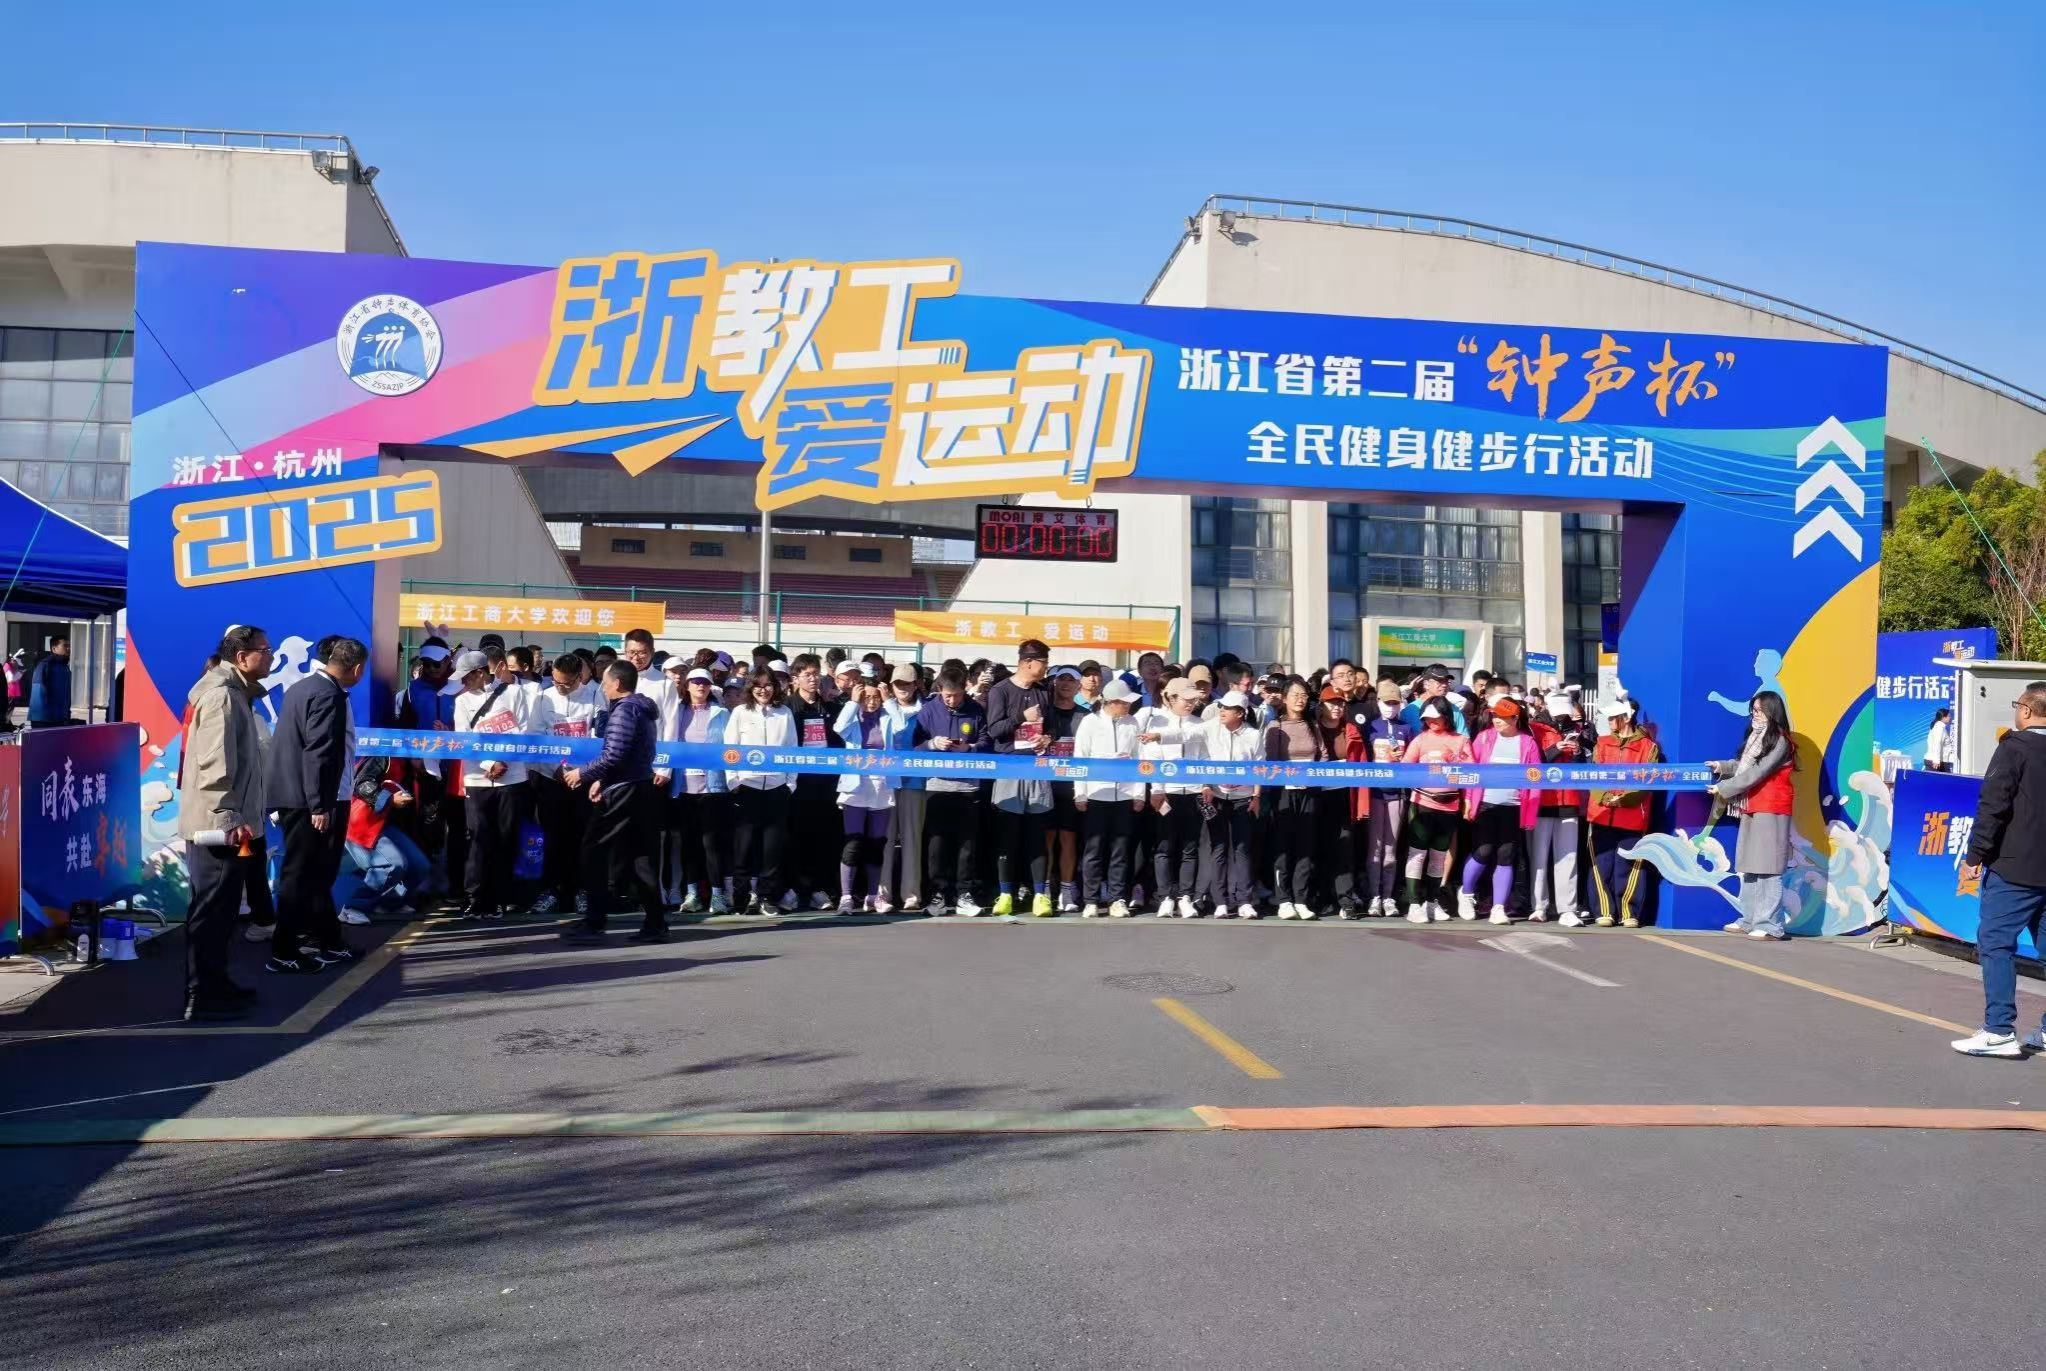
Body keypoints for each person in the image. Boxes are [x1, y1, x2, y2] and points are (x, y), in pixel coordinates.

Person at [176, 625, 274, 1019]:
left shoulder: (237, 694)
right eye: (265, 649)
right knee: (212, 908)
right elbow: (215, 765)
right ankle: (201, 995)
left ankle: (216, 983)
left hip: (233, 824)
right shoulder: (222, 697)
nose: (270, 655)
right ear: (242, 657)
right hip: (218, 826)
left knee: (225, 909)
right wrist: (227, 815)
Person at [1952, 681, 2046, 1057]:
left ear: (2026, 710)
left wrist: (1974, 857)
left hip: (2015, 867)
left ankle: (1999, 1029)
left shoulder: (2014, 747)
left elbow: (1993, 805)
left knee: (1995, 942)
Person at [265, 636, 365, 971]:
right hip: (316, 799)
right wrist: (319, 805)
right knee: (304, 874)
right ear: (357, 668)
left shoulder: (302, 688)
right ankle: (285, 951)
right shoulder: (328, 694)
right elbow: (319, 754)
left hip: (299, 795)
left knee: (313, 874)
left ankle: (326, 941)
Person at [561, 660, 668, 944]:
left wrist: (582, 774)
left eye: (606, 683)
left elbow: (614, 755)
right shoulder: (640, 709)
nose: (603, 687)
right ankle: (656, 923)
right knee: (642, 857)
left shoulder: (624, 711)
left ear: (618, 684)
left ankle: (595, 920)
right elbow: (627, 755)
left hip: (624, 791)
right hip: (641, 786)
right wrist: (602, 780)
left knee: (593, 849)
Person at [1706, 690, 1797, 940]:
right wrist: (1722, 767)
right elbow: (1745, 766)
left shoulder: (1781, 741)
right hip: (1752, 805)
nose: (1754, 715)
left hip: (1771, 807)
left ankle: (1770, 926)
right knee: (1750, 865)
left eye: (1758, 710)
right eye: (1753, 711)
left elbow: (1758, 772)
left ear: (1771, 711)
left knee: (1768, 867)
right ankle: (1749, 919)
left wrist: (1724, 788)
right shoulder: (1757, 737)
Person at [450, 647, 532, 919]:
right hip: (477, 778)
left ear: (480, 673)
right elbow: (463, 738)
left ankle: (502, 898)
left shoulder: (514, 693)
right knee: (478, 838)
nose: (463, 682)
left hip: (513, 777)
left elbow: (524, 730)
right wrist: (489, 763)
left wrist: (504, 760)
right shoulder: (462, 701)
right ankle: (475, 898)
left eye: (466, 676)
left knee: (507, 838)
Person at [1459, 698, 1553, 925]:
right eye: (1495, 716)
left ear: (1515, 718)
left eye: (1502, 717)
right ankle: (1466, 893)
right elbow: (1472, 771)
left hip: (1514, 806)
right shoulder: (1484, 738)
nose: (1497, 720)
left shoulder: (1528, 743)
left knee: (1506, 855)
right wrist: (1468, 800)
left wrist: (1530, 814)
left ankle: (1498, 907)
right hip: (1485, 804)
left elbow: (1534, 780)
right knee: (1483, 851)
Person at [984, 640, 1056, 916]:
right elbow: (994, 730)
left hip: (1037, 767)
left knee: (1037, 836)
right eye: (1043, 662)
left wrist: (1047, 738)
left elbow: (1051, 726)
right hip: (1009, 768)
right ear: (1027, 662)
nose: (1045, 667)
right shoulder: (1000, 690)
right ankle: (1005, 894)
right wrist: (1020, 716)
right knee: (1008, 835)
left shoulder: (1044, 691)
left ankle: (1040, 895)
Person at [529, 655, 602, 916]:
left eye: (566, 684)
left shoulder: (595, 696)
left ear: (579, 677)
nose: (560, 687)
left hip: (584, 779)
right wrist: (557, 768)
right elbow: (536, 736)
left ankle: (582, 891)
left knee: (583, 837)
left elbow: (598, 737)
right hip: (552, 778)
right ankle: (551, 891)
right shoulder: (543, 697)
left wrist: (582, 771)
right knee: (552, 837)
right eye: (556, 681)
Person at [915, 667, 987, 916]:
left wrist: (970, 748)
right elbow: (913, 745)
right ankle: (937, 894)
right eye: (947, 695)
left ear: (965, 689)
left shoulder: (976, 709)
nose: (952, 700)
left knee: (967, 844)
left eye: (957, 695)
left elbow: (987, 742)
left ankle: (964, 894)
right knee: (937, 843)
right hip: (937, 785)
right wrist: (931, 744)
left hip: (968, 786)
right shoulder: (928, 710)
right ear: (939, 690)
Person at [723, 669, 796, 915]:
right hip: (747, 786)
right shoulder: (740, 712)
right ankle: (741, 896)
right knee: (743, 847)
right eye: (758, 685)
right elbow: (730, 748)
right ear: (750, 687)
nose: (763, 690)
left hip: (776, 788)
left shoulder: (784, 713)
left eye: (768, 685)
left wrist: (790, 783)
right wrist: (733, 781)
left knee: (771, 849)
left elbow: (792, 748)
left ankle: (767, 897)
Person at [1587, 697, 1662, 928]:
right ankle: (1604, 910)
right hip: (1601, 813)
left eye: (1614, 716)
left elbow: (1648, 779)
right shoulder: (1602, 743)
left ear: (1627, 717)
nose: (1609, 720)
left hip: (1632, 815)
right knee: (1601, 865)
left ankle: (1629, 912)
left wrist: (1625, 798)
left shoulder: (1648, 747)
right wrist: (1606, 797)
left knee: (1629, 866)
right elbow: (1594, 774)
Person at [832, 673, 904, 912]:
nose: (871, 702)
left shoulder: (887, 716)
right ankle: (846, 897)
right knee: (853, 843)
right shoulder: (852, 716)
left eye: (875, 698)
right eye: (866, 697)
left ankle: (873, 896)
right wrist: (853, 702)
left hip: (882, 786)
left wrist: (889, 700)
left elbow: (901, 726)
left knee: (876, 844)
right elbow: (838, 728)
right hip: (856, 786)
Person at [1073, 678, 1143, 917]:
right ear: (1112, 702)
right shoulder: (1090, 722)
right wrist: (1080, 793)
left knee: (1120, 851)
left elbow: (1139, 759)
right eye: (1124, 702)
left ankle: (1117, 899)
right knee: (1093, 850)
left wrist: (1138, 793)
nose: (1128, 706)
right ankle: (1091, 900)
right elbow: (1080, 758)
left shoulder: (1132, 722)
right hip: (1096, 794)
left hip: (1124, 795)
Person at [1139, 675, 1207, 917]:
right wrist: (1157, 789)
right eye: (1186, 699)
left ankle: (1185, 896)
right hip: (1167, 793)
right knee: (1164, 846)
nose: (1191, 704)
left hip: (1194, 793)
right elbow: (1151, 758)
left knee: (1190, 847)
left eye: (1193, 699)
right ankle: (1165, 896)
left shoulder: (1200, 723)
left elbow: (1205, 756)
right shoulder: (1156, 721)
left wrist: (1205, 785)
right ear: (1170, 697)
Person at [1400, 698, 1473, 923]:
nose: (1432, 721)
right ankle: (1414, 904)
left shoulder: (1461, 740)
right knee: (1417, 854)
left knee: (1439, 858)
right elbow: (1405, 769)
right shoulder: (1420, 739)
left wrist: (1455, 764)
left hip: (1449, 806)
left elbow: (1472, 773)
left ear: (1446, 716)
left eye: (1436, 717)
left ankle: (1431, 903)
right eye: (1427, 718)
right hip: (1423, 803)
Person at [1264, 678, 1329, 920]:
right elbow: (1270, 762)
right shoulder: (1276, 726)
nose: (1300, 699)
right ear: (1284, 698)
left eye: (1304, 695)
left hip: (1309, 791)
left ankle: (1301, 899)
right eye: (1295, 695)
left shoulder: (1312, 725)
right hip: (1284, 792)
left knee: (1306, 844)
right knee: (1283, 844)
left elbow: (1322, 755)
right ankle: (1283, 899)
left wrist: (1311, 775)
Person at [671, 667, 732, 915]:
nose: (700, 686)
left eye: (705, 683)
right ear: (687, 686)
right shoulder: (676, 711)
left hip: (713, 786)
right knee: (689, 843)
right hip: (684, 787)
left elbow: (731, 746)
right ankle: (692, 894)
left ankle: (718, 895)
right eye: (695, 682)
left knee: (711, 843)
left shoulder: (721, 713)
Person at [786, 654, 843, 911]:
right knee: (795, 837)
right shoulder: (787, 708)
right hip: (797, 784)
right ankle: (795, 888)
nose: (813, 679)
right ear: (795, 678)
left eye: (815, 673)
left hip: (826, 785)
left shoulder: (830, 708)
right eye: (807, 674)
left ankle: (819, 888)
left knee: (823, 838)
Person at [340, 757, 429, 920]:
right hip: (362, 823)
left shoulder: (408, 761)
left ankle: (389, 904)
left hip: (384, 824)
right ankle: (352, 908)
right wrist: (390, 799)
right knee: (392, 864)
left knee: (420, 865)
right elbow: (361, 784)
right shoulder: (382, 755)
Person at [1530, 692, 1591, 926]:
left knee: (1568, 857)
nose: (1562, 716)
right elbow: (1532, 763)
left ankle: (1567, 908)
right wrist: (1555, 748)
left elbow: (1583, 766)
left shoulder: (1576, 728)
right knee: (1539, 856)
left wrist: (1577, 752)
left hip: (1569, 799)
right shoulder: (1534, 728)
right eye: (1558, 712)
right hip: (1542, 799)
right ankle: (1539, 905)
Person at [1200, 690, 1262, 919]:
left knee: (1242, 850)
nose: (1222, 711)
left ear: (1240, 713)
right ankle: (1220, 902)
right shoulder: (1211, 728)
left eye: (1227, 708)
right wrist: (1158, 736)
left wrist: (1256, 796)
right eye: (1221, 707)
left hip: (1243, 799)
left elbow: (1260, 766)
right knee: (1218, 848)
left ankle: (1244, 901)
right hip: (1217, 797)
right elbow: (1195, 748)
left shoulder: (1253, 735)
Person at [1357, 680, 1414, 917]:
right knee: (1375, 847)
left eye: (1395, 703)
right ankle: (1374, 896)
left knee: (1391, 848)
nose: (1391, 706)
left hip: (1397, 794)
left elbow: (1412, 760)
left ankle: (1389, 896)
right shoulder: (1370, 727)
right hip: (1375, 793)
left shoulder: (1406, 728)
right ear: (1378, 702)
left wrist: (1402, 760)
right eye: (1387, 702)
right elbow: (1363, 757)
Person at [877, 663, 927, 913]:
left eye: (907, 683)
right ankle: (881, 894)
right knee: (884, 839)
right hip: (885, 781)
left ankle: (911, 894)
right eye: (898, 684)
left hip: (915, 781)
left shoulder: (926, 711)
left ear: (916, 684)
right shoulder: (882, 707)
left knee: (912, 838)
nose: (903, 688)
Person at [27, 636, 71, 727]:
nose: (68, 648)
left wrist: (66, 714)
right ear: (54, 649)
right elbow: (38, 692)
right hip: (43, 719)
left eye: (69, 646)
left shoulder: (65, 667)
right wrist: (41, 718)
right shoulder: (45, 665)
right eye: (65, 646)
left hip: (61, 718)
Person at [1924, 706, 1957, 773]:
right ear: (1943, 717)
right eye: (1948, 716)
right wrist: (1936, 760)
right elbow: (1937, 743)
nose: (1950, 718)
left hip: (1939, 761)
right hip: (1936, 762)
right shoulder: (1939, 728)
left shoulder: (1940, 727)